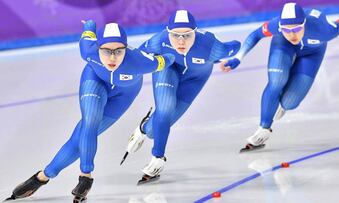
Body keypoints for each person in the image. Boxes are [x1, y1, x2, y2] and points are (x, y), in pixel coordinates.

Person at [5, 20, 174, 202]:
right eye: (106, 51)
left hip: (123, 95)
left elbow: (169, 59)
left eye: (118, 51)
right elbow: (88, 31)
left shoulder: (141, 62)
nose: (112, 58)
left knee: (79, 139)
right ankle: (86, 176)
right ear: (97, 48)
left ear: (126, 48)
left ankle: (42, 177)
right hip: (95, 81)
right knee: (90, 121)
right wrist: (90, 25)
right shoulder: (88, 50)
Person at [123, 10, 241, 184]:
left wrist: (228, 59)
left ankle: (144, 126)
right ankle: (157, 159)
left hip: (195, 79)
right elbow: (137, 57)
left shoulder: (211, 46)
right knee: (165, 109)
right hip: (168, 69)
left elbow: (236, 45)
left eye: (187, 35)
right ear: (167, 32)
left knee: (153, 132)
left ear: (195, 32)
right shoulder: (159, 41)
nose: (180, 41)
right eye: (175, 35)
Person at [220, 2, 339, 152]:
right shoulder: (277, 26)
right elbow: (255, 34)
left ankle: (282, 103)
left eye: (296, 29)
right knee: (277, 81)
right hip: (283, 46)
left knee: (290, 102)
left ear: (304, 24)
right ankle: (263, 128)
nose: (292, 34)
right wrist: (238, 58)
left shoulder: (324, 30)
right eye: (286, 30)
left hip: (312, 54)